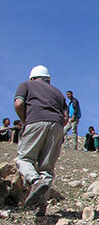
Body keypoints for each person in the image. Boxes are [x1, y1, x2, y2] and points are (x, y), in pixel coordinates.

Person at [14, 65, 67, 214]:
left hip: (35, 121)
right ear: (48, 79)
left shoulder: (26, 85)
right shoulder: (58, 93)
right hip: (57, 126)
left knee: (24, 159)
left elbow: (19, 103)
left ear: (32, 77)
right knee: (47, 168)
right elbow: (65, 118)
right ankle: (41, 205)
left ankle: (35, 181)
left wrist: (25, 119)